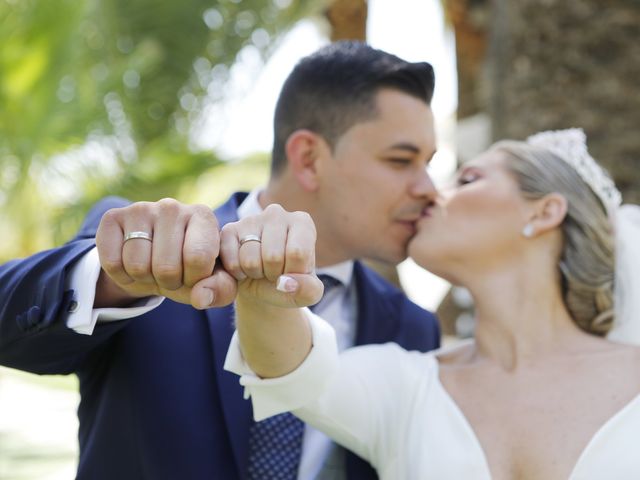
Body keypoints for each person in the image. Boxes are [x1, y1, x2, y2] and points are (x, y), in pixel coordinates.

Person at [0, 41, 440, 479]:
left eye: (429, 163)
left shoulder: (415, 328)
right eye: (402, 160)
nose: (428, 189)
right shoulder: (151, 248)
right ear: (308, 158)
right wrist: (117, 278)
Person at [225, 128, 640, 479]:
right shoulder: (405, 386)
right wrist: (265, 290)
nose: (429, 194)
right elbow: (291, 370)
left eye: (467, 180)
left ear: (546, 211)